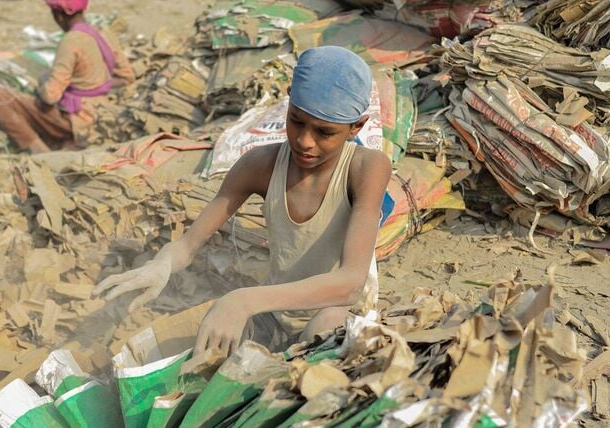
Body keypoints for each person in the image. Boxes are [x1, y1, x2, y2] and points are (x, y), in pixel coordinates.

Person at [94, 46, 391, 355]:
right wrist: (161, 265)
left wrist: (243, 300)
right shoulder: (259, 165)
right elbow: (187, 245)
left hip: (338, 313)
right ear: (288, 102)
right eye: (297, 121)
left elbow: (351, 282)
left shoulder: (365, 168)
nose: (305, 141)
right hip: (272, 313)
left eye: (324, 132)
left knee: (323, 332)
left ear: (356, 127)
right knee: (192, 351)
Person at [0, 0, 134, 153]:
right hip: (103, 112)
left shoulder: (71, 41)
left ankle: (39, 151)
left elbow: (50, 97)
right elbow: (127, 77)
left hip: (77, 119)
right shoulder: (102, 33)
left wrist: (43, 82)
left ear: (58, 16)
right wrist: (97, 86)